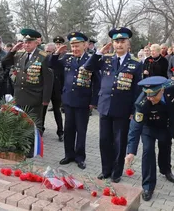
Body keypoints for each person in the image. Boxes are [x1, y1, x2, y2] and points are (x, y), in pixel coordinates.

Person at [84, 27, 143, 183]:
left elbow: (138, 89)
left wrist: (133, 110)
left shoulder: (135, 64)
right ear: (112, 44)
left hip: (123, 109)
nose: (119, 45)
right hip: (105, 107)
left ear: (128, 44)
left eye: (122, 42)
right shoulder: (105, 59)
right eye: (116, 42)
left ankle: (117, 172)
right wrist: (99, 53)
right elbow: (88, 67)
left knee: (119, 142)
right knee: (104, 140)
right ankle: (105, 170)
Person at [126, 76, 174, 201]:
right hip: (148, 127)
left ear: (162, 90)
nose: (149, 98)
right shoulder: (141, 103)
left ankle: (166, 170)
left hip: (165, 125)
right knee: (148, 151)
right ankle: (148, 186)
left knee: (165, 148)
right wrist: (131, 152)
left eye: (153, 95)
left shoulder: (172, 88)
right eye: (147, 95)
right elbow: (135, 128)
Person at [50, 32, 99, 169]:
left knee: (81, 131)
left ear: (84, 45)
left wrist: (94, 101)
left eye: (77, 46)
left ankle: (80, 157)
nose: (75, 49)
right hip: (68, 100)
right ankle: (68, 155)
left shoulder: (91, 60)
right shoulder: (67, 58)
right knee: (69, 129)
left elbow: (97, 82)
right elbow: (52, 65)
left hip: (83, 101)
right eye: (72, 46)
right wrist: (56, 54)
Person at [2, 28, 53, 156]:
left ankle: (32, 149)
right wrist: (13, 50)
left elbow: (48, 80)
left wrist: (45, 100)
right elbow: (4, 62)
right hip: (20, 95)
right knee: (20, 122)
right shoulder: (20, 55)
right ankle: (21, 146)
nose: (26, 45)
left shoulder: (43, 57)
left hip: (35, 96)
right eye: (25, 42)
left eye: (29, 42)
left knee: (34, 124)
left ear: (36, 42)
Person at [42, 42, 64, 141]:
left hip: (56, 90)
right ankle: (40, 129)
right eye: (46, 51)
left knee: (57, 111)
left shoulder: (59, 63)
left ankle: (60, 132)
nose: (48, 53)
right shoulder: (42, 61)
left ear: (55, 51)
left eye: (50, 52)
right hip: (45, 90)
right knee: (42, 111)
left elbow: (62, 77)